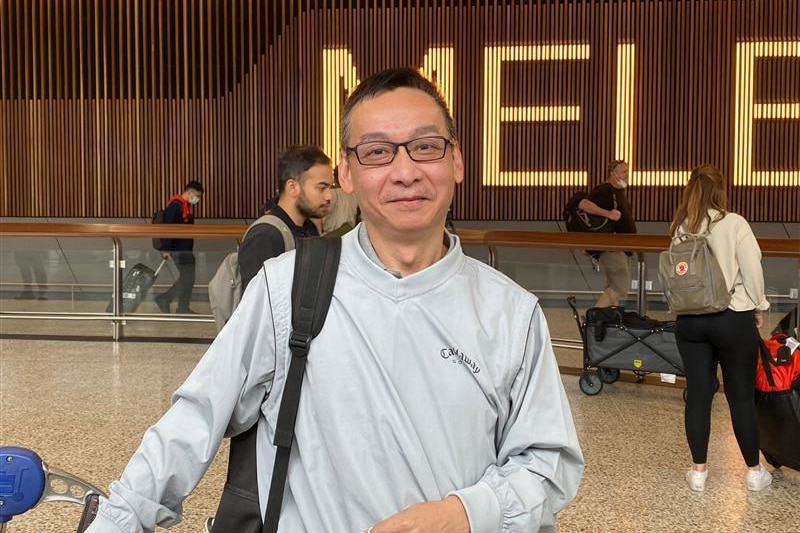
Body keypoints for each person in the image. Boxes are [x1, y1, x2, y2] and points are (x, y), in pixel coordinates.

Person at [86, 67, 583, 533]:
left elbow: (547, 463)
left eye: (426, 146)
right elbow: (194, 420)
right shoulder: (288, 287)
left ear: (456, 160)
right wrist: (120, 519)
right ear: (347, 173)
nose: (405, 171)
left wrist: (465, 513)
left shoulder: (511, 314)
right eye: (377, 152)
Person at [671, 164, 772, 492]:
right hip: (732, 317)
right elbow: (752, 271)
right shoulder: (734, 223)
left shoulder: (682, 228)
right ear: (720, 191)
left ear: (691, 191)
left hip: (690, 322)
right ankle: (754, 473)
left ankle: (698, 472)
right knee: (740, 396)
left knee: (699, 395)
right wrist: (759, 305)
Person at [238, 145, 333, 292]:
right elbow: (257, 305)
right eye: (321, 188)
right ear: (292, 187)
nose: (328, 196)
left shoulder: (309, 228)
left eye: (330, 188)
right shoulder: (265, 236)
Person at [578, 160, 637, 307]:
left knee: (613, 285)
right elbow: (584, 204)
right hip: (612, 247)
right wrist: (609, 214)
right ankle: (595, 316)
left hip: (619, 247)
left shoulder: (618, 192)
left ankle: (609, 320)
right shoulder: (605, 190)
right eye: (624, 172)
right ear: (613, 174)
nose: (627, 175)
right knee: (620, 286)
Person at [154, 181, 204, 314]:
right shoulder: (175, 206)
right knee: (187, 278)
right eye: (197, 196)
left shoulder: (185, 206)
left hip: (185, 249)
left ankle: (182, 306)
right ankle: (167, 299)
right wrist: (165, 248)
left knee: (188, 278)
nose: (197, 199)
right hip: (178, 249)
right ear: (189, 192)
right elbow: (168, 228)